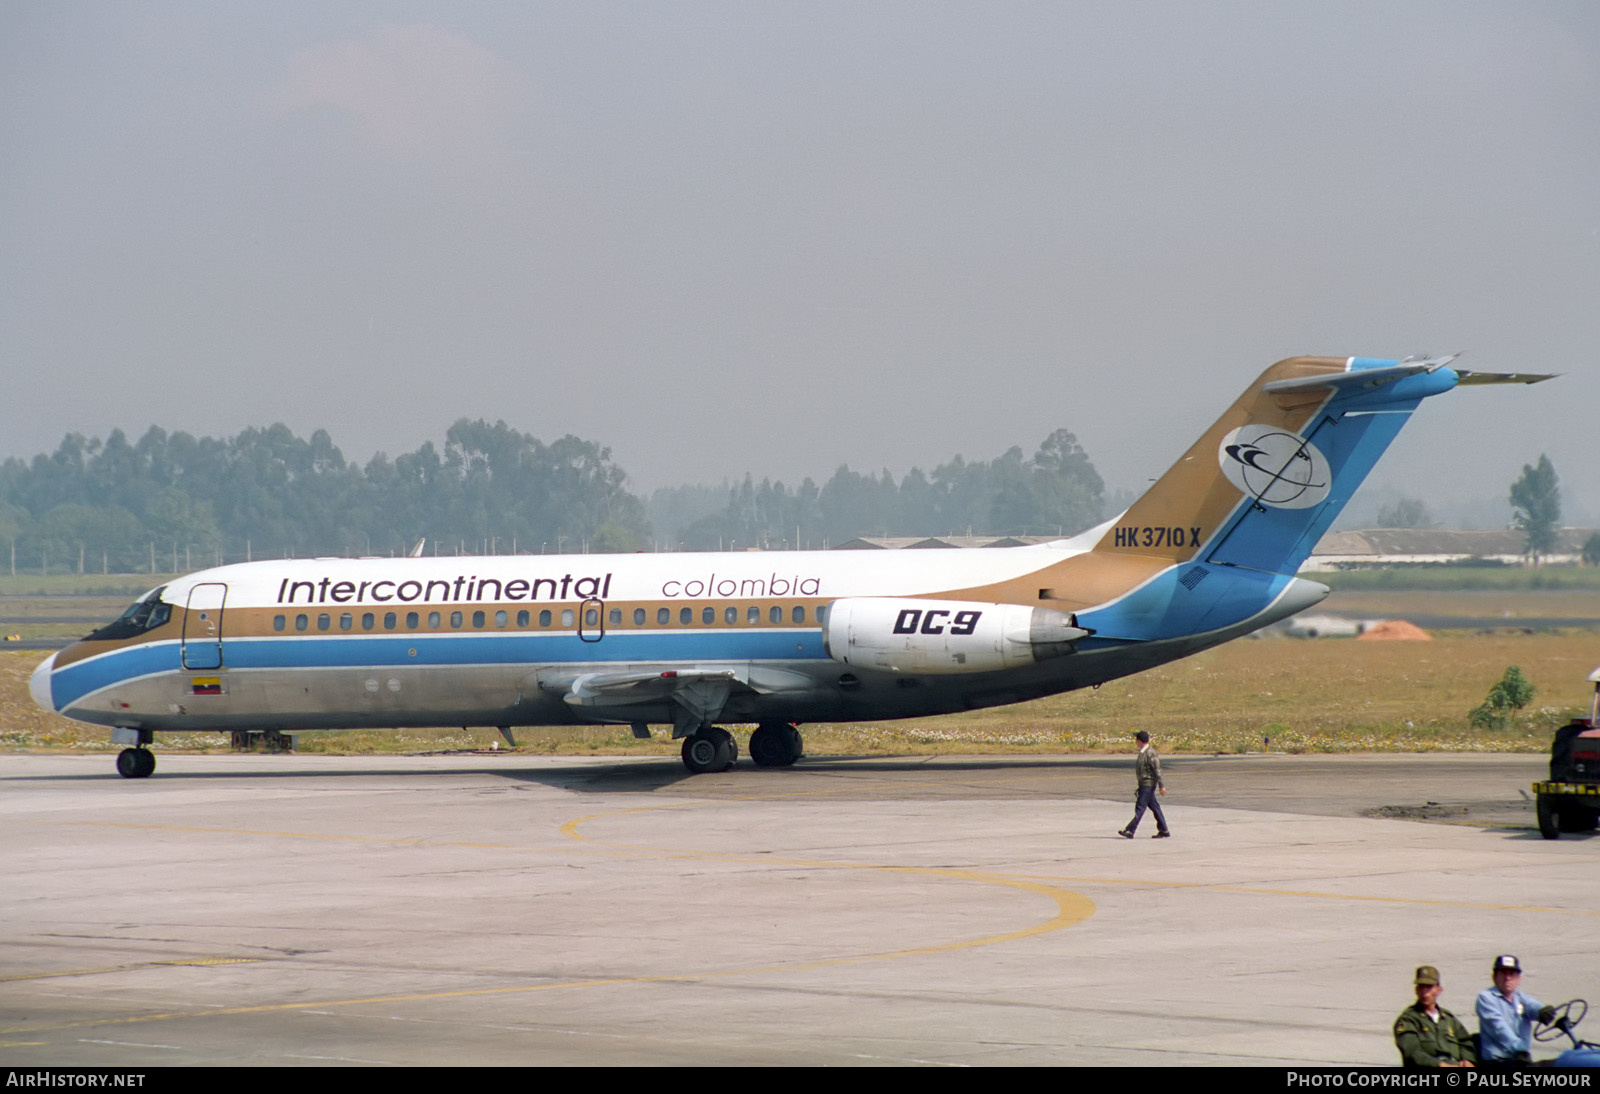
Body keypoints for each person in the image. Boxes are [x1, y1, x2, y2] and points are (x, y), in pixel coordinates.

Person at [1476, 954, 1555, 1065]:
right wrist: (1520, 1049)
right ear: (1494, 977)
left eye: (1511, 974)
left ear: (1518, 979)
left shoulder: (1520, 997)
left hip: (1520, 1060)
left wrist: (1542, 1011)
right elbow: (1499, 1028)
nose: (1507, 978)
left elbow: (1532, 1006)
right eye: (1503, 973)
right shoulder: (1486, 998)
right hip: (1497, 1062)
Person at [1395, 965, 1476, 1068]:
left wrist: (1467, 1060)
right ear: (1416, 990)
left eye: (1429, 987)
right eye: (1421, 987)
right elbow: (1412, 1052)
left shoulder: (1448, 1018)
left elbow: (1465, 1041)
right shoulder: (1408, 1020)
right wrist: (1440, 1065)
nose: (1425, 993)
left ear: (1438, 990)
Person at [1118, 730, 1170, 838]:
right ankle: (1164, 830)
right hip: (1144, 784)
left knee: (1140, 807)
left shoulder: (1150, 753)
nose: (1135, 742)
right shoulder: (1143, 752)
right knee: (1155, 807)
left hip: (1148, 784)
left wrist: (1161, 786)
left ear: (1140, 741)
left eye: (1136, 740)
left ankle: (1130, 830)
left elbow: (1157, 770)